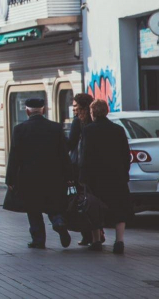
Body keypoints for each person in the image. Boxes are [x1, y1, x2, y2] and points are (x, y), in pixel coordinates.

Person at [3, 98, 72, 249]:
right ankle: (58, 222)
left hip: (29, 178)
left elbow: (14, 156)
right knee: (53, 205)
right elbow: (63, 154)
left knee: (33, 209)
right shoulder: (55, 128)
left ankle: (38, 240)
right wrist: (69, 176)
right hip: (53, 177)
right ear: (44, 110)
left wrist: (10, 180)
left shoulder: (19, 129)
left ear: (27, 111)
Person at [82, 99, 131, 253]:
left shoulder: (88, 130)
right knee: (119, 209)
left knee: (95, 208)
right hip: (117, 177)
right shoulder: (118, 130)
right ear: (106, 112)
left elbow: (85, 156)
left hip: (95, 178)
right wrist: (124, 173)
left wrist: (83, 178)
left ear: (92, 113)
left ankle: (96, 241)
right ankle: (119, 241)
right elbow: (126, 154)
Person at [68, 93, 97, 246]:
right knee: (95, 200)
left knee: (83, 201)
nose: (74, 110)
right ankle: (98, 234)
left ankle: (88, 235)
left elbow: (71, 143)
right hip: (97, 168)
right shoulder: (96, 121)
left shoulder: (77, 123)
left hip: (80, 168)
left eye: (75, 107)